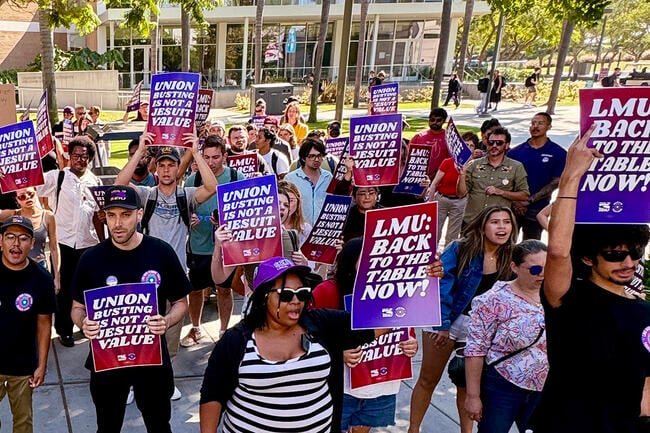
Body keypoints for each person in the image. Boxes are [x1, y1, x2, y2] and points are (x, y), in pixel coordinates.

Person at [534, 126, 650, 433]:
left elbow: (646, 385)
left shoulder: (644, 311)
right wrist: (572, 175)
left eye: (635, 252)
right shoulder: (569, 298)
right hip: (565, 425)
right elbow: (558, 251)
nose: (628, 262)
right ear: (588, 257)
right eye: (614, 255)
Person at [199, 256, 387, 433]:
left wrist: (377, 273)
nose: (296, 301)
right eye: (286, 294)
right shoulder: (236, 341)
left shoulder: (323, 324)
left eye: (303, 293)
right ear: (264, 297)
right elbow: (212, 396)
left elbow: (378, 323)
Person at [70, 185, 190, 433]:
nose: (117, 223)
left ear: (139, 213)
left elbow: (181, 303)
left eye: (125, 214)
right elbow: (76, 307)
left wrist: (166, 321)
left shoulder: (161, 252)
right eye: (111, 215)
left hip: (151, 359)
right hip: (107, 362)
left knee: (158, 425)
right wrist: (83, 323)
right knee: (107, 426)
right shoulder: (91, 259)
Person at [115, 132, 217, 400]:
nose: (166, 169)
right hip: (144, 273)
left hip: (176, 273)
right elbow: (119, 184)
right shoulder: (147, 195)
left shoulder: (187, 195)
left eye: (171, 164)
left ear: (177, 168)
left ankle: (166, 381)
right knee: (139, 330)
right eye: (161, 165)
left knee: (170, 332)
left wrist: (195, 152)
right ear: (156, 169)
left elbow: (212, 186)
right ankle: (132, 382)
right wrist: (139, 152)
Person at [408, 206, 517, 433]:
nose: (502, 227)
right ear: (483, 225)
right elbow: (442, 285)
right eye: (495, 222)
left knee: (466, 386)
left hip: (478, 329)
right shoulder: (461, 248)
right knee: (428, 379)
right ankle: (413, 429)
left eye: (506, 222)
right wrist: (443, 325)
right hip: (447, 318)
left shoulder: (512, 257)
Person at [312, 239, 421, 433]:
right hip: (340, 387)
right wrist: (338, 352)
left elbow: (406, 332)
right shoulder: (327, 291)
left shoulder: (397, 292)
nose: (374, 265)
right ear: (350, 262)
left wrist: (411, 344)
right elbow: (306, 336)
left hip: (379, 388)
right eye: (367, 259)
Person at [464, 240, 548, 433]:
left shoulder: (556, 294)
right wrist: (473, 396)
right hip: (502, 386)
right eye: (535, 269)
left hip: (543, 389)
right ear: (514, 267)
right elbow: (475, 349)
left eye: (547, 267)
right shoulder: (494, 300)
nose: (542, 274)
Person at [37, 135, 103, 348]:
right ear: (69, 156)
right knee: (63, 290)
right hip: (63, 245)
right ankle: (64, 330)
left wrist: (103, 242)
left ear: (90, 158)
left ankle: (88, 326)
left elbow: (98, 215)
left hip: (88, 244)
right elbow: (32, 184)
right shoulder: (57, 177)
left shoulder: (95, 182)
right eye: (75, 156)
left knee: (88, 289)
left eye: (84, 157)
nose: (79, 160)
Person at [181, 135, 245, 345]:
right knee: (196, 290)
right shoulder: (194, 180)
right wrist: (189, 219)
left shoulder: (237, 178)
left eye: (215, 157)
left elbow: (248, 213)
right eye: (206, 157)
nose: (210, 162)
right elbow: (185, 208)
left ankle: (224, 330)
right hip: (199, 245)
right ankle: (195, 327)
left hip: (227, 246)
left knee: (224, 290)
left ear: (225, 156)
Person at [0, 215, 55, 433]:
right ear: (1, 240)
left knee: (23, 423)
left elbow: (44, 324)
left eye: (23, 238)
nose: (16, 244)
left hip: (23, 366)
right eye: (10, 237)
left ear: (32, 244)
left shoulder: (42, 279)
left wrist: (41, 364)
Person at [508, 113, 566, 240]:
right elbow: (506, 180)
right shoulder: (515, 152)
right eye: (533, 123)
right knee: (506, 245)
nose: (535, 126)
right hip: (513, 207)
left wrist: (529, 201)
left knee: (531, 247)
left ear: (549, 126)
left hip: (538, 209)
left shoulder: (558, 153)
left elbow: (556, 182)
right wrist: (515, 201)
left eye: (540, 123)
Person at [457, 126, 529, 226]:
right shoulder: (474, 164)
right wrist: (462, 175)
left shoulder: (516, 167)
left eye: (499, 143)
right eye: (491, 142)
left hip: (496, 224)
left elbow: (524, 195)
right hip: (472, 221)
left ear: (507, 145)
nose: (494, 145)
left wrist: (501, 192)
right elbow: (461, 193)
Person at [427, 132, 481, 246]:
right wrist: (430, 203)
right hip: (442, 199)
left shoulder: (475, 166)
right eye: (466, 144)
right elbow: (434, 184)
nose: (468, 148)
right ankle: (430, 256)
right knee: (434, 232)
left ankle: (447, 259)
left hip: (459, 202)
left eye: (471, 146)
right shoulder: (448, 162)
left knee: (452, 235)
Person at [0, 187, 60, 290]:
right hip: (15, 267)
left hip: (39, 266)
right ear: (17, 199)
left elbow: (54, 247)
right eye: (22, 197)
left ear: (36, 192)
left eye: (30, 194)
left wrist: (57, 277)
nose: (27, 198)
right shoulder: (14, 214)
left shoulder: (47, 216)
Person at [284, 138, 332, 226]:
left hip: (322, 230)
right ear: (303, 158)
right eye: (312, 156)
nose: (316, 159)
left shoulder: (328, 177)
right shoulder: (291, 178)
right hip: (300, 230)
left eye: (319, 156)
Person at [409, 108, 451, 179]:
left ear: (444, 121)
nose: (435, 122)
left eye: (438, 120)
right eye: (432, 120)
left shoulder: (449, 137)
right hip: (418, 177)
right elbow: (407, 156)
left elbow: (451, 161)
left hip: (439, 178)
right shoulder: (419, 136)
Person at [278, 180, 312, 246]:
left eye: (291, 200)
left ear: (298, 202)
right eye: (279, 202)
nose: (284, 206)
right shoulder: (263, 228)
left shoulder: (306, 229)